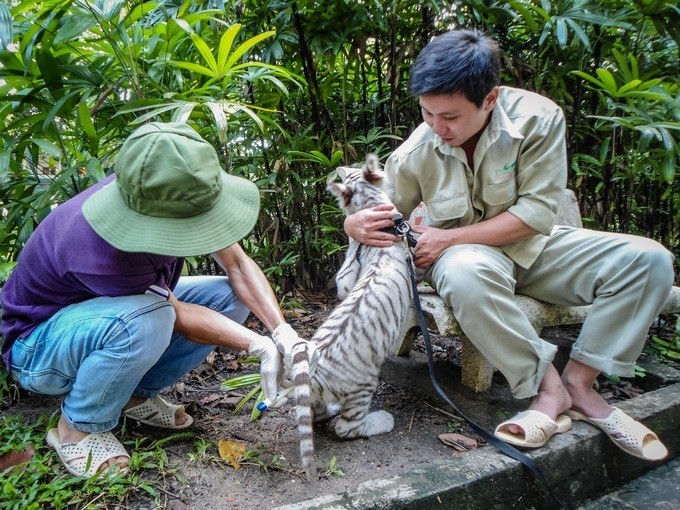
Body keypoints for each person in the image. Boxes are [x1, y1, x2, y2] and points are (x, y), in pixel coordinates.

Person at [344, 29, 674, 460]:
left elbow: (537, 215)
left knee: (650, 260)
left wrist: (449, 235)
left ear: (491, 98)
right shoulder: (415, 152)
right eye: (427, 113)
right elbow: (386, 215)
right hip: (466, 264)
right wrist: (356, 224)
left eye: (451, 116)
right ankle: (548, 391)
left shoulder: (538, 119)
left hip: (535, 249)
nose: (437, 127)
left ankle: (581, 384)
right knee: (464, 271)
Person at [0, 122, 317, 477]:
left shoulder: (166, 191)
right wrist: (257, 345)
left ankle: (133, 395)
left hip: (110, 317)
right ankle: (77, 426)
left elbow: (238, 265)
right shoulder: (101, 249)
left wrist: (283, 332)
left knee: (227, 298)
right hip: (39, 347)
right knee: (150, 319)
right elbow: (176, 313)